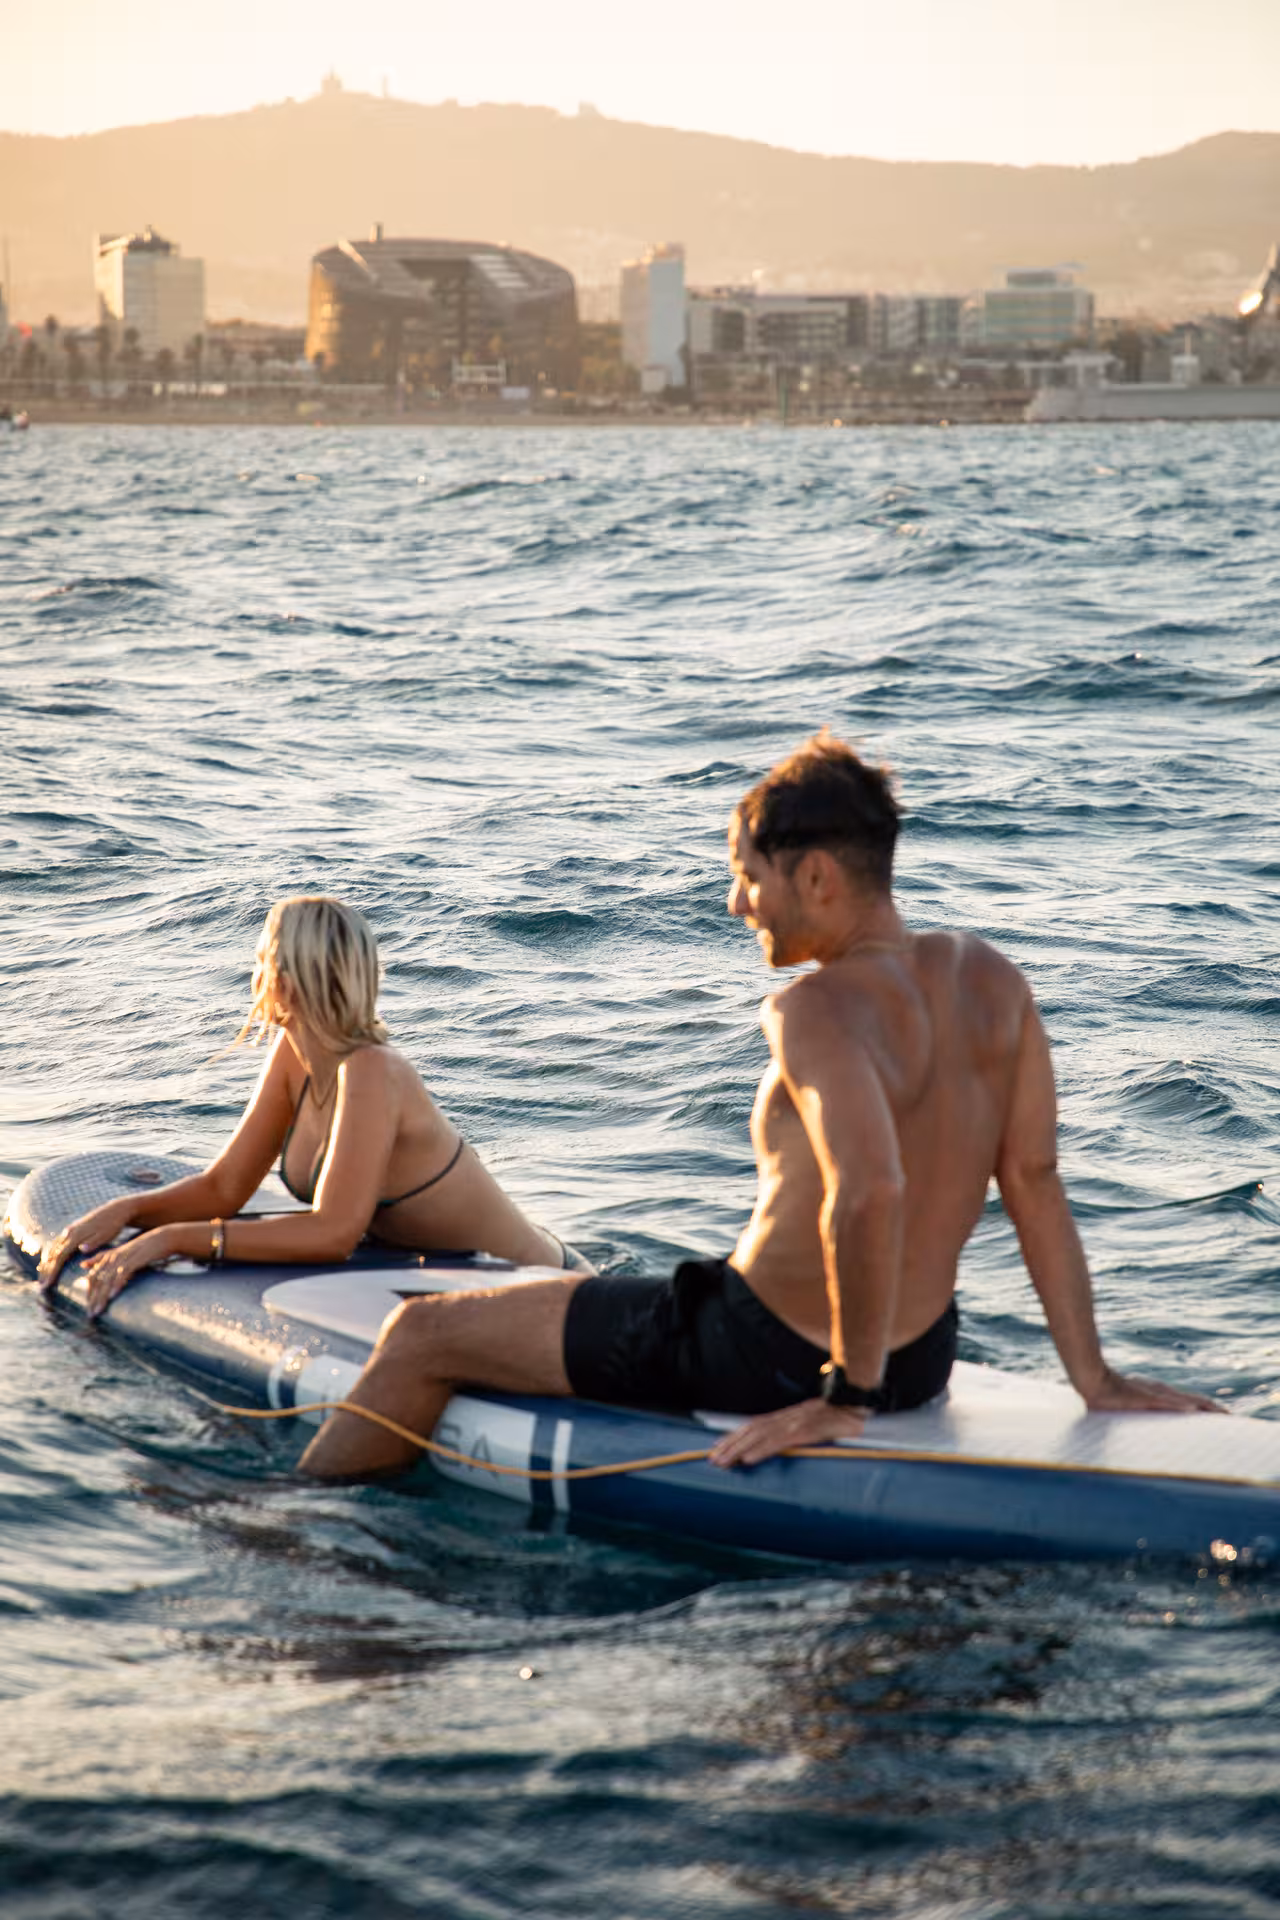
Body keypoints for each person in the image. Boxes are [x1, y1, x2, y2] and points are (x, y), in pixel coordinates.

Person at [296, 734, 1218, 1481]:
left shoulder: (812, 1007)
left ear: (815, 876)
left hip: (767, 1352)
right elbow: (1034, 1181)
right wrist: (1091, 1378)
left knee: (420, 1333)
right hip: (926, 1356)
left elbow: (870, 1190)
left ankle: (291, 1547)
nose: (739, 903)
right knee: (577, 1288)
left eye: (749, 874)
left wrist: (844, 1396)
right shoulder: (994, 978)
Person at [38, 895, 588, 1315]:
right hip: (450, 1274)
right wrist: (130, 1211)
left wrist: (171, 1239)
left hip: (543, 1283)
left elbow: (332, 1233)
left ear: (278, 980)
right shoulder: (294, 1053)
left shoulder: (374, 1069)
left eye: (259, 961)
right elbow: (226, 1188)